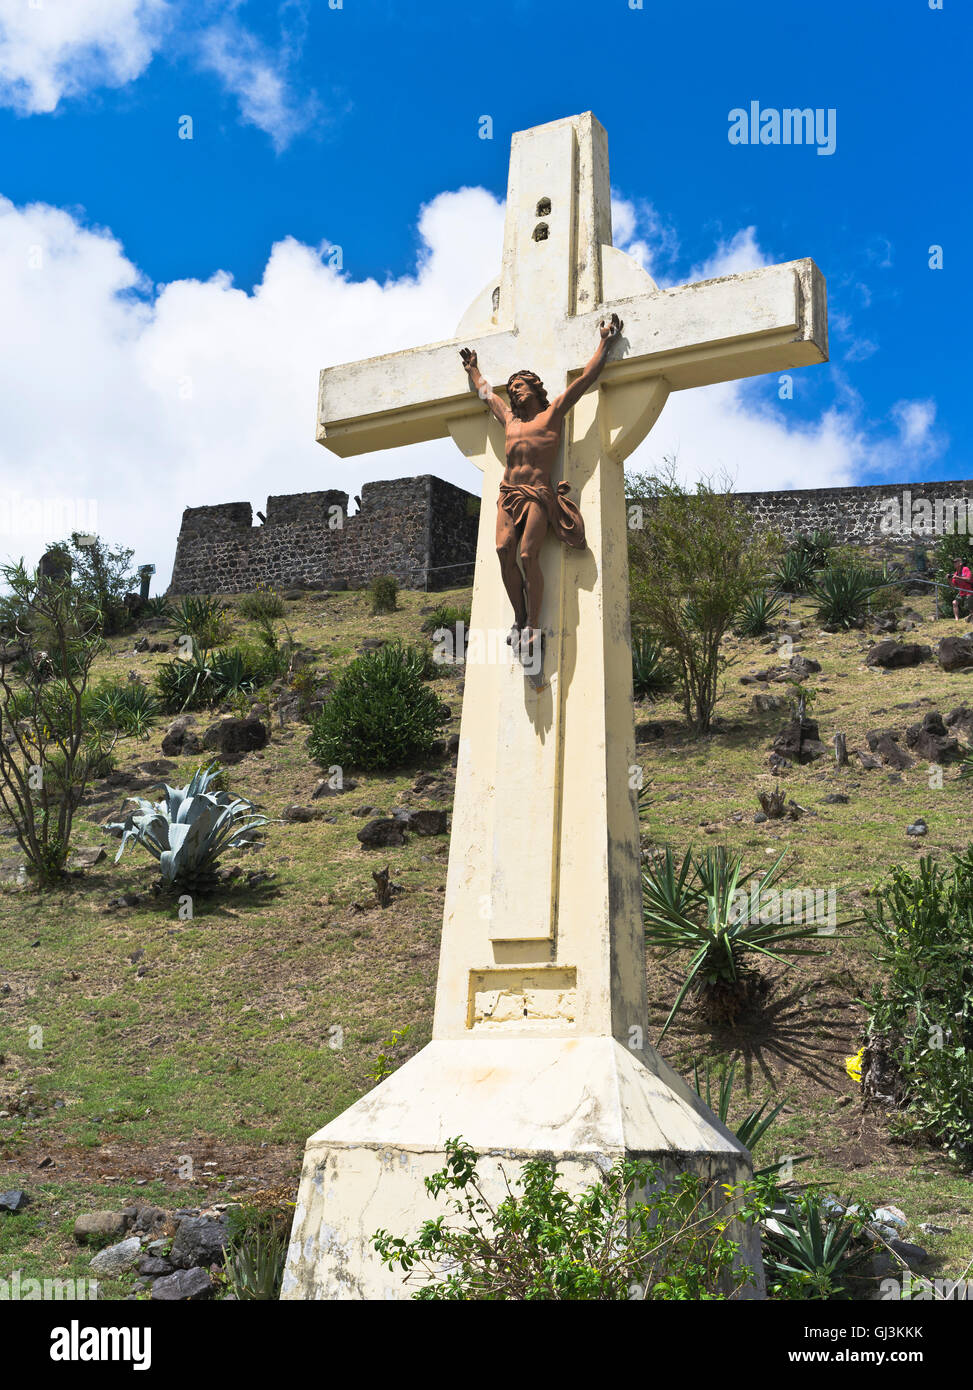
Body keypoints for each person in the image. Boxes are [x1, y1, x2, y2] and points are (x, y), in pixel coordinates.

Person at [459, 314, 622, 672]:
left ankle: (533, 623)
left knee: (529, 555)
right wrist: (473, 370)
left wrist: (604, 343)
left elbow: (585, 380)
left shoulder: (551, 416)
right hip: (508, 491)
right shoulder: (511, 421)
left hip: (536, 493)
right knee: (504, 550)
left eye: (520, 385)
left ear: (535, 388)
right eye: (513, 386)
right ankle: (519, 619)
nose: (514, 390)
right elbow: (487, 394)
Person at [950, 556, 973, 620]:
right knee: (954, 602)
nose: (954, 564)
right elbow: (953, 586)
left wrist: (957, 577)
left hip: (969, 591)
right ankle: (956, 619)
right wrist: (949, 579)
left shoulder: (965, 569)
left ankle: (971, 618)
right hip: (962, 592)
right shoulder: (956, 573)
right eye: (953, 562)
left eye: (955, 562)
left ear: (960, 563)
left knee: (969, 607)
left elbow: (968, 579)